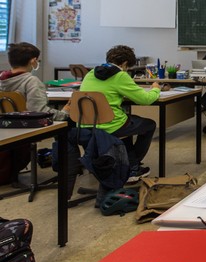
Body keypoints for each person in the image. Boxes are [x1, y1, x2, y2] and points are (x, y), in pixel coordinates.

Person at [80, 45, 160, 183]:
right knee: (148, 125)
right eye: (128, 67)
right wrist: (155, 89)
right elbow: (145, 99)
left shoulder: (90, 73)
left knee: (128, 123)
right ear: (124, 64)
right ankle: (131, 167)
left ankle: (125, 164)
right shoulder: (120, 75)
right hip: (111, 124)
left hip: (87, 123)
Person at [0, 42, 69, 121]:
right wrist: (65, 113)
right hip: (30, 126)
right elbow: (39, 112)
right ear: (33, 61)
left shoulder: (2, 80)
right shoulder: (31, 81)